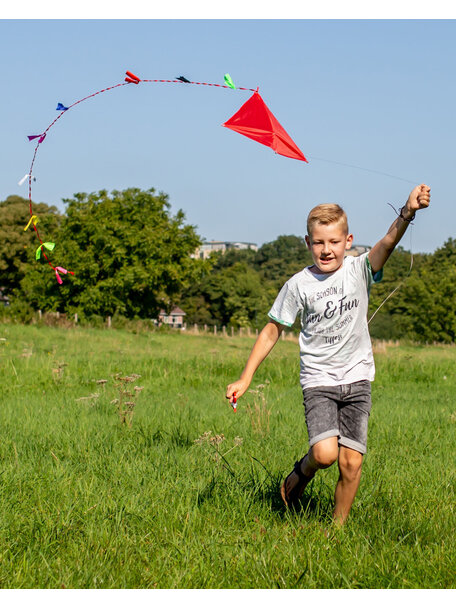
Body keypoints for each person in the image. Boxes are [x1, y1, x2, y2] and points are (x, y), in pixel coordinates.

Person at [226, 184, 431, 524]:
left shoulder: (360, 269)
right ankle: (299, 474)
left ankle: (335, 532)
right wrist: (246, 377)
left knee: (351, 462)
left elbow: (388, 242)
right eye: (318, 242)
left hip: (358, 377)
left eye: (334, 242)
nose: (326, 250)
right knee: (324, 454)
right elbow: (271, 330)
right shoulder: (298, 285)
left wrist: (407, 212)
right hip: (318, 380)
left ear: (348, 241)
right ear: (308, 243)